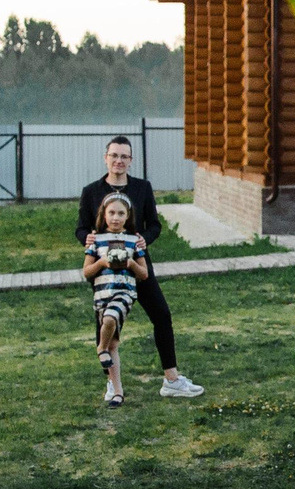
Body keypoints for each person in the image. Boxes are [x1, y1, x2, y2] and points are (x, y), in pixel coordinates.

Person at [73, 137, 206, 400]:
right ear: (106, 158)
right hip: (105, 273)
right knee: (106, 326)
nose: (119, 160)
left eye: (124, 156)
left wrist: (145, 238)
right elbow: (81, 227)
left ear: (131, 160)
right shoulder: (91, 191)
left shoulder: (143, 188)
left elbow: (155, 224)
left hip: (137, 265)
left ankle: (171, 379)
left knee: (161, 314)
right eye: (114, 155)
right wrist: (86, 238)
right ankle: (112, 384)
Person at [80, 197, 150, 408]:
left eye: (121, 214)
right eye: (112, 213)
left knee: (110, 319)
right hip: (102, 294)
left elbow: (144, 273)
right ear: (104, 214)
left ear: (127, 216)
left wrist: (130, 263)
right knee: (114, 345)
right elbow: (86, 272)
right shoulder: (96, 240)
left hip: (124, 292)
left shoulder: (133, 241)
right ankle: (117, 392)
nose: (116, 218)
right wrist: (102, 262)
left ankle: (99, 348)